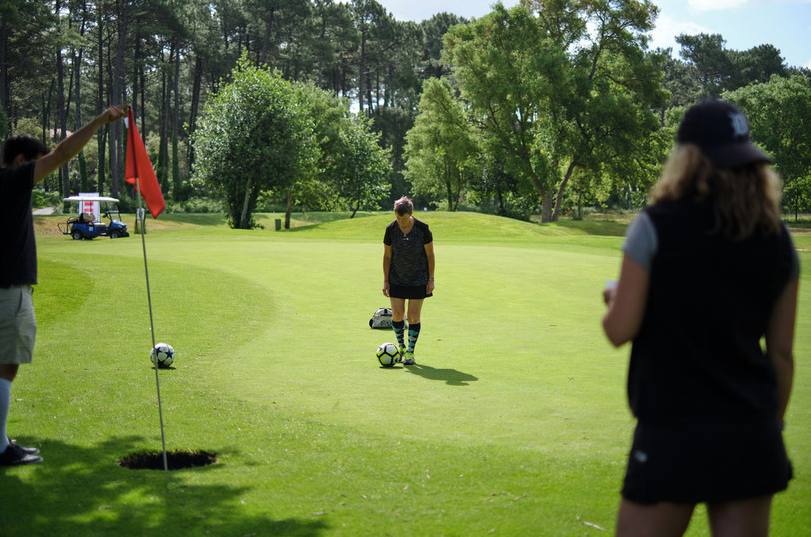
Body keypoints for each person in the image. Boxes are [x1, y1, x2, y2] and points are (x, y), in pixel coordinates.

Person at [601, 99, 798, 536]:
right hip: (751, 433)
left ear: (685, 158)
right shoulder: (777, 237)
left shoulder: (654, 225)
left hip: (673, 432)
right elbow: (781, 353)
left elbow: (619, 330)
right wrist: (773, 425)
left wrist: (614, 297)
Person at [0, 104, 129, 466]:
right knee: (6, 366)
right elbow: (64, 152)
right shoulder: (13, 180)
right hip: (9, 290)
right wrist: (102, 120)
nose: (44, 171)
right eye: (37, 164)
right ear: (22, 160)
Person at [382, 196, 435, 365]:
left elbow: (430, 255)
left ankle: (411, 352)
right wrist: (385, 280)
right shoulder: (391, 229)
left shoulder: (422, 229)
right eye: (398, 218)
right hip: (396, 277)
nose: (401, 222)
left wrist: (431, 279)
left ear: (411, 213)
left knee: (412, 316)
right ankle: (401, 347)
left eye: (404, 218)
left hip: (418, 278)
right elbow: (387, 256)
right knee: (397, 314)